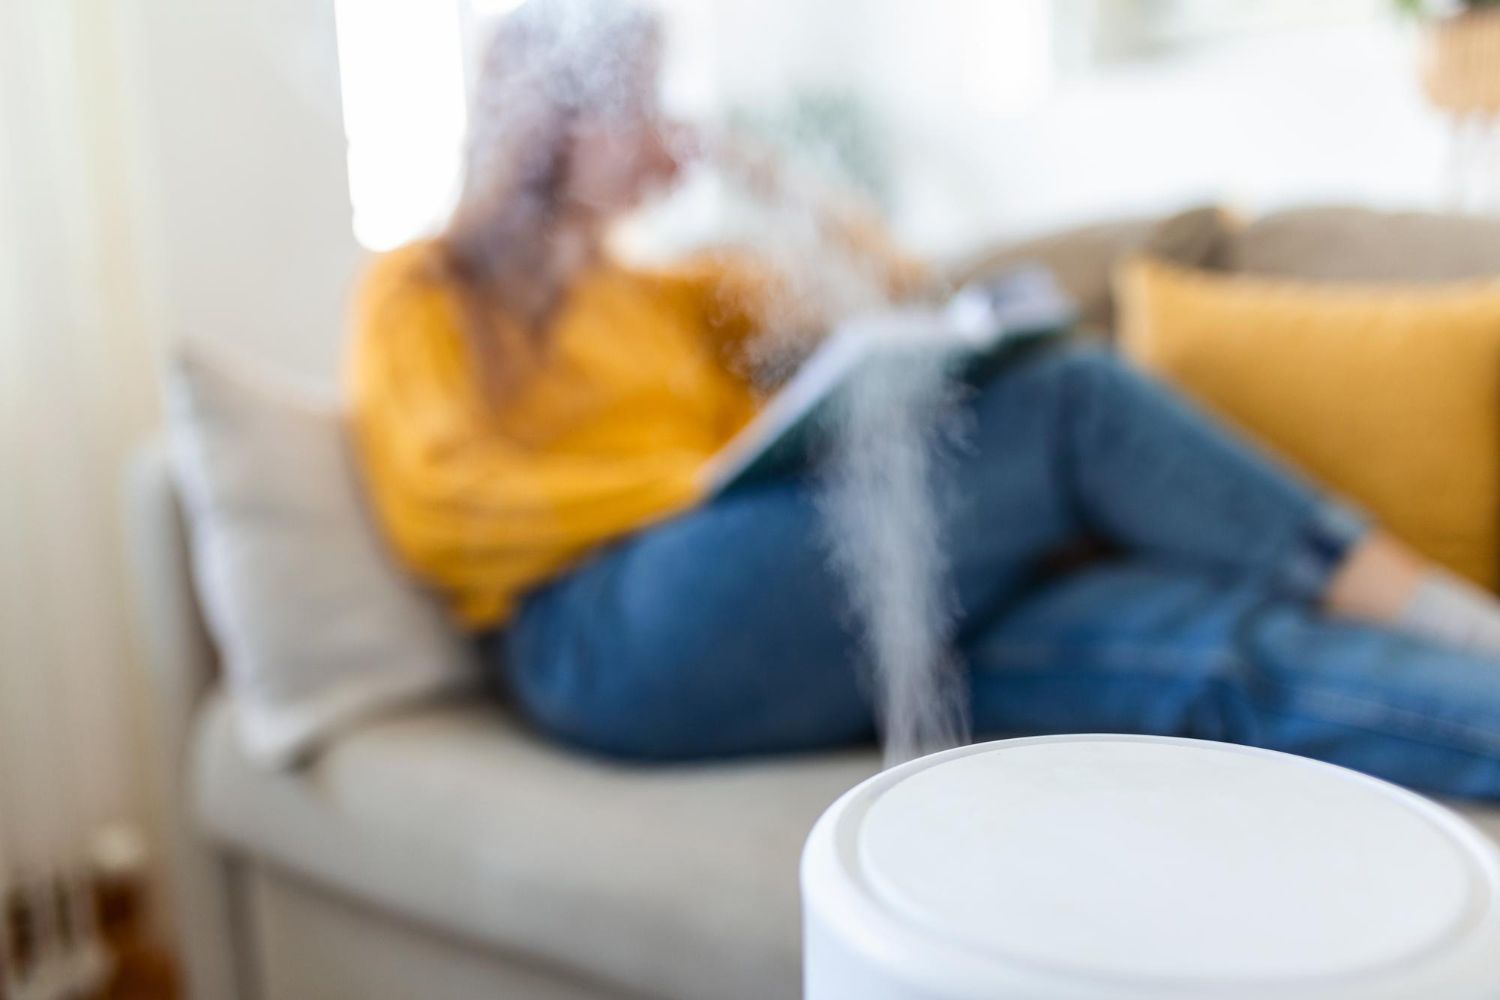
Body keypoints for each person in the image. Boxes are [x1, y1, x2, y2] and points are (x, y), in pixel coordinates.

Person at [348, 0, 1500, 798]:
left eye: (658, 98)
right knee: (1071, 402)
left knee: (1184, 647)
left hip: (764, 597)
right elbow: (446, 503)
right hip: (604, 637)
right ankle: (1442, 605)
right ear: (547, 109)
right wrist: (701, 483)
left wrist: (757, 165)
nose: (655, 129)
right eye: (631, 101)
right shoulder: (426, 286)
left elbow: (898, 287)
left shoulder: (662, 293)